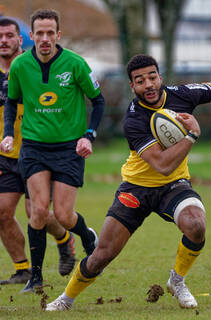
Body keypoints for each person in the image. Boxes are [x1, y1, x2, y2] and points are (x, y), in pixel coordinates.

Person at [45, 54, 211, 311]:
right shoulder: (134, 119)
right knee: (102, 255)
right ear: (132, 87)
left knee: (196, 225)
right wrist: (191, 135)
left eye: (152, 77)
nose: (149, 85)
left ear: (160, 77)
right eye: (140, 81)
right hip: (136, 188)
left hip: (174, 186)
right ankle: (66, 298)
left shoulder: (182, 94)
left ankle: (177, 281)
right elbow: (163, 165)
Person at [0, 9, 104, 292]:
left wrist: (89, 136)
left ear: (58, 35)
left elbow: (99, 101)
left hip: (69, 149)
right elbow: (11, 103)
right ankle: (35, 277)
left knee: (63, 216)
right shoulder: (20, 65)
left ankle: (84, 234)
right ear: (31, 36)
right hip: (33, 148)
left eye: (50, 33)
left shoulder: (75, 63)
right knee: (37, 212)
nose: (45, 39)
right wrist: (9, 134)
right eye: (39, 33)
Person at [0, 17, 76, 285]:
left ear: (22, 39)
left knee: (39, 212)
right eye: (0, 36)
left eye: (10, 36)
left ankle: (64, 238)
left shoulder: (32, 66)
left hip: (37, 151)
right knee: (2, 211)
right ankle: (22, 269)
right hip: (6, 156)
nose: (4, 41)